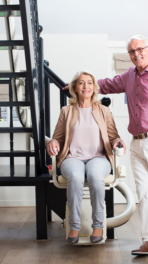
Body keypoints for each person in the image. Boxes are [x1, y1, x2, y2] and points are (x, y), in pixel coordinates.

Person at [63, 35, 148, 254]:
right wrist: (80, 86)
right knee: (144, 193)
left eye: (140, 49)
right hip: (136, 143)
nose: (136, 53)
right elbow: (107, 84)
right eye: (131, 51)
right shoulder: (129, 76)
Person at [47, 70, 125, 244]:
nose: (86, 86)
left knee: (95, 176)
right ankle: (73, 226)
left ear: (94, 87)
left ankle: (98, 225)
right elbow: (57, 137)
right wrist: (52, 142)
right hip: (72, 158)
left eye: (89, 82)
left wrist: (118, 141)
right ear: (75, 87)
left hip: (98, 157)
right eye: (81, 82)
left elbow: (113, 136)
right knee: (75, 176)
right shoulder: (66, 111)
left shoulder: (103, 110)